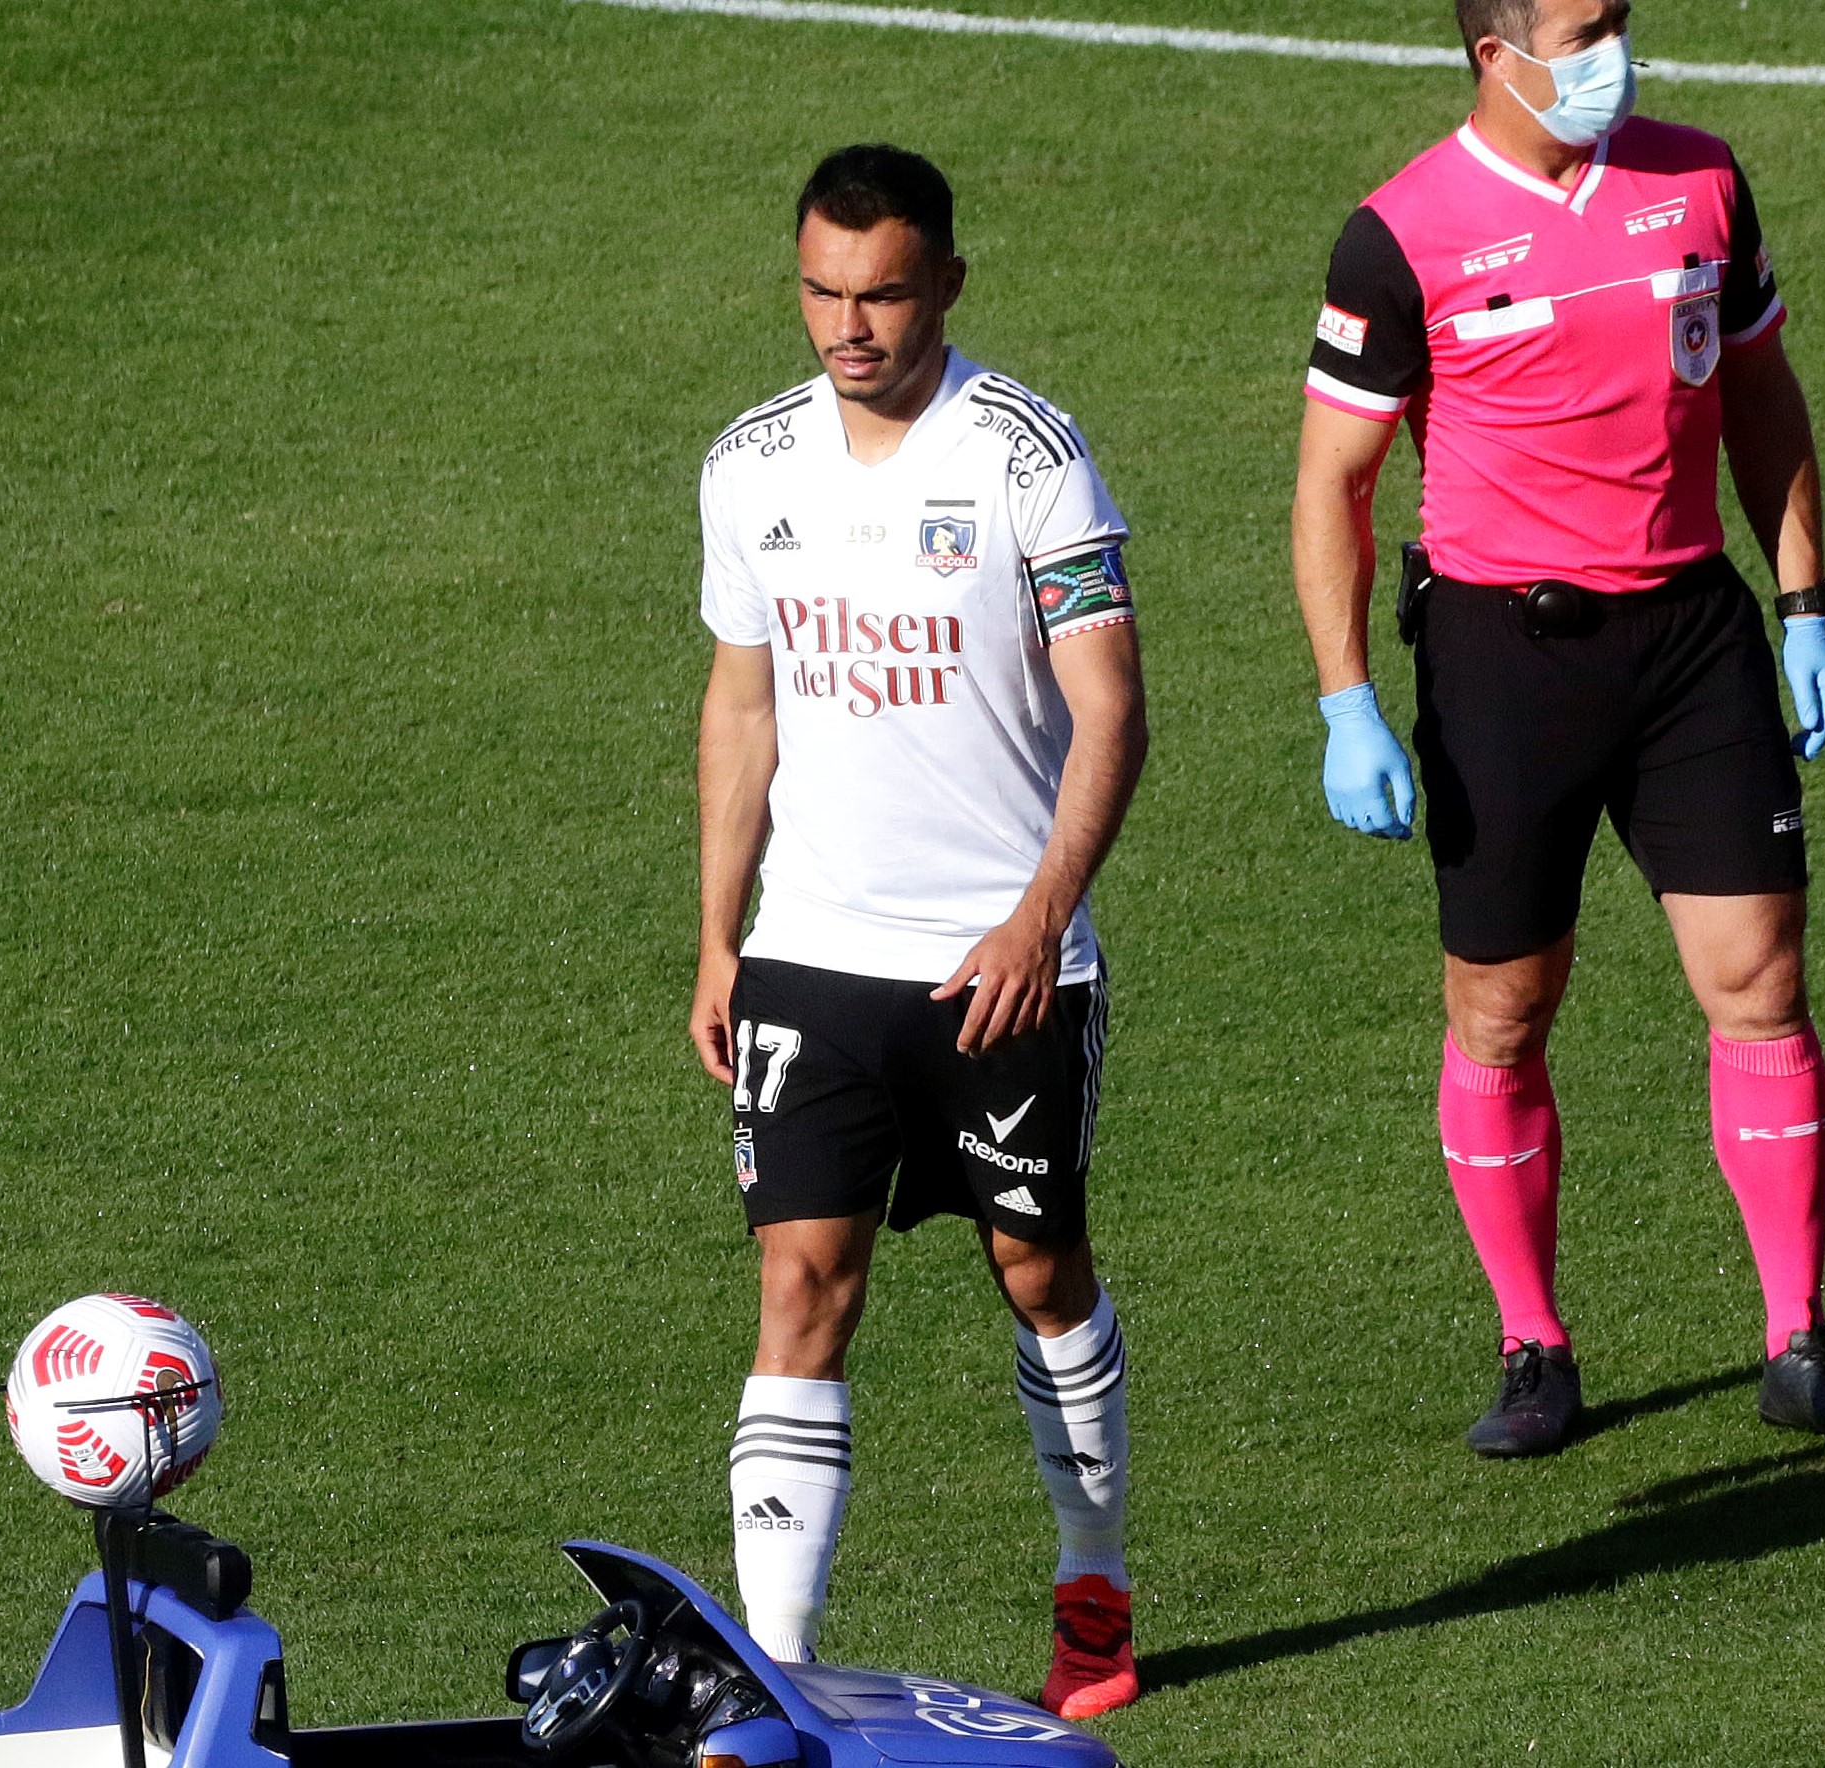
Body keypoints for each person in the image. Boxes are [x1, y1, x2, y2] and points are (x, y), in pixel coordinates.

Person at [1292, 0, 1825, 1458]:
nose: (1609, 54)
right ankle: (1533, 1345)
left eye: (1616, 22)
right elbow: (1334, 484)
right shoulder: (1399, 236)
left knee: (1760, 983)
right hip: (1505, 659)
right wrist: (1347, 702)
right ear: (1495, 54)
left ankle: (1799, 1340)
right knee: (1503, 1012)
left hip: (1692, 635)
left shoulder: (1700, 181)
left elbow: (1759, 390)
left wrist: (1806, 602)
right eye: (1579, 31)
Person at [688, 144, 1149, 1718]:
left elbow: (1110, 711)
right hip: (813, 953)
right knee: (801, 1286)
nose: (850, 326)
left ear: (946, 280)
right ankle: (780, 1670)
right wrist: (719, 938)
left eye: (882, 293)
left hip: (1000, 967)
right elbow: (743, 707)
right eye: (823, 292)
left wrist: (1039, 918)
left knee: (1039, 1271)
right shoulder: (750, 466)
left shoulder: (1027, 459)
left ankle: (1092, 1578)